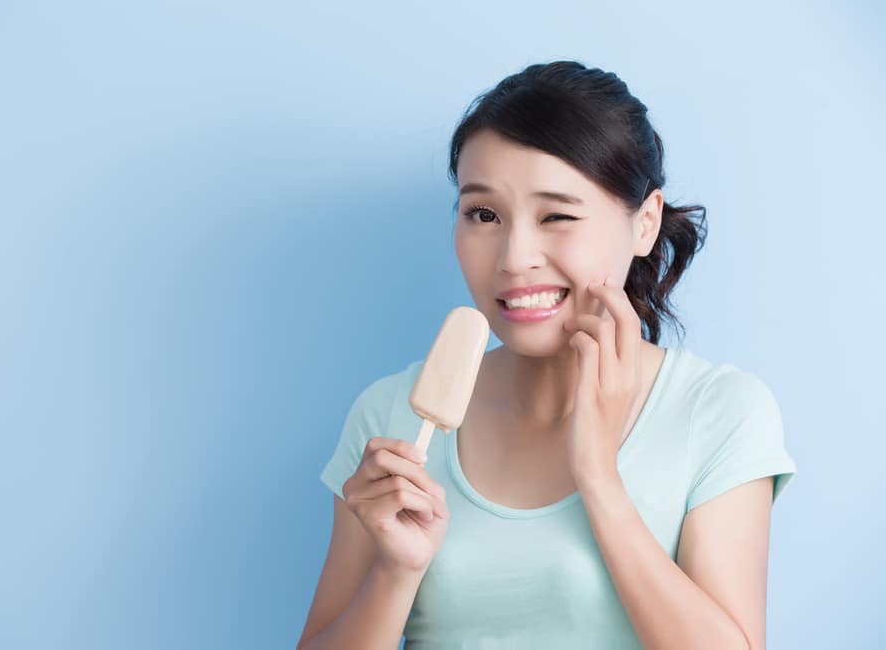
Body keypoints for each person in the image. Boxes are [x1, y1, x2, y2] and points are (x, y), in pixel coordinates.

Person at [297, 60, 797, 649]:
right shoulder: (390, 419)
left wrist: (598, 476)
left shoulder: (718, 413)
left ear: (645, 223)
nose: (514, 257)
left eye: (556, 215)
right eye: (483, 215)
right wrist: (395, 572)